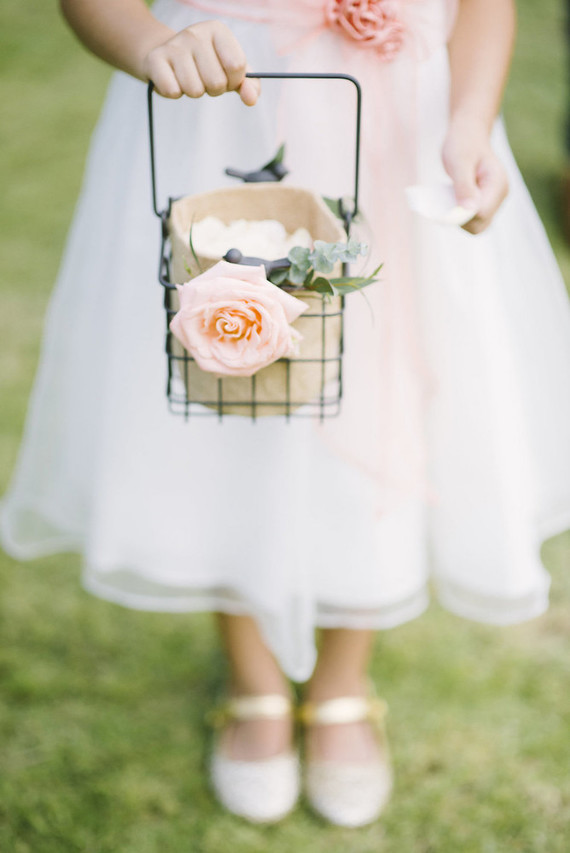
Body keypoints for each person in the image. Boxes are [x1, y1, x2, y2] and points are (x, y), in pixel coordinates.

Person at [2, 0, 570, 828]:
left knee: (385, 381)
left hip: (400, 119)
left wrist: (472, 122)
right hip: (225, 113)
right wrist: (156, 43)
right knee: (228, 384)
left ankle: (343, 680)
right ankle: (253, 677)